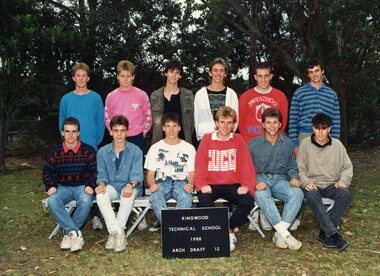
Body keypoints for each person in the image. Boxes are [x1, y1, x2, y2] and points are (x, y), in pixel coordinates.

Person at [194, 106, 256, 251]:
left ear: (234, 124)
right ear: (216, 123)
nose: (225, 126)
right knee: (203, 201)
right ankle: (218, 233)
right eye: (222, 122)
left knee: (248, 201)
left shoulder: (238, 139)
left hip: (232, 184)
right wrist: (202, 183)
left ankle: (227, 229)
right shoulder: (207, 139)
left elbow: (246, 164)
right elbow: (200, 163)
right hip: (211, 184)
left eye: (229, 123)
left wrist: (246, 184)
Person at [248, 108, 304, 250]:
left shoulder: (287, 143)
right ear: (263, 124)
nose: (272, 125)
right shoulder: (253, 144)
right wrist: (255, 182)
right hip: (261, 179)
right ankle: (286, 234)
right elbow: (246, 169)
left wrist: (294, 178)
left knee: (298, 193)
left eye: (275, 122)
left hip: (280, 180)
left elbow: (291, 166)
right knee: (261, 194)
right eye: (269, 122)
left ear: (280, 124)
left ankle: (280, 234)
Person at [59, 62, 105, 230]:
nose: (81, 78)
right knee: (72, 182)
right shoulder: (66, 99)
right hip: (71, 148)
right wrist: (68, 142)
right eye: (78, 75)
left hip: (91, 146)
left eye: (84, 75)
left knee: (91, 181)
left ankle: (95, 216)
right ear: (73, 78)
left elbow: (101, 123)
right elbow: (61, 123)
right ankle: (71, 215)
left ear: (88, 78)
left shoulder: (96, 98)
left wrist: (95, 142)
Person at [297, 113, 352, 251]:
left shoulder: (337, 145)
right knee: (311, 194)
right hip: (312, 184)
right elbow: (300, 168)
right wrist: (305, 181)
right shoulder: (305, 144)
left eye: (324, 128)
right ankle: (333, 234)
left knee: (345, 194)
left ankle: (325, 232)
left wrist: (343, 180)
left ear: (329, 129)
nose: (320, 132)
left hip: (331, 183)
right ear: (312, 128)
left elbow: (347, 166)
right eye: (317, 128)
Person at [42, 117, 97, 252]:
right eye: (67, 131)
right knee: (53, 201)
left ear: (78, 133)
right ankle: (74, 233)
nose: (70, 135)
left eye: (74, 131)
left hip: (82, 186)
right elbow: (47, 172)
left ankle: (69, 234)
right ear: (62, 133)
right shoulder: (55, 151)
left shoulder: (88, 151)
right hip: (63, 186)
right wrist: (51, 186)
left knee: (85, 200)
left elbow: (94, 172)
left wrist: (90, 184)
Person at [95, 115, 144, 252]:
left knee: (126, 195)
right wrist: (102, 184)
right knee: (100, 195)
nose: (119, 134)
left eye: (122, 130)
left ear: (127, 132)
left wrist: (131, 185)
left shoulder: (136, 151)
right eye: (116, 130)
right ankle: (118, 233)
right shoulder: (102, 152)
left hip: (130, 185)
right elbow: (102, 174)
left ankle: (114, 234)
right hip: (111, 185)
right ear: (110, 131)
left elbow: (137, 175)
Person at [145, 112, 196, 227]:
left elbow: (192, 173)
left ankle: (170, 226)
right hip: (162, 182)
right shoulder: (155, 148)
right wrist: (152, 185)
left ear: (179, 128)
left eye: (174, 126)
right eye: (168, 126)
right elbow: (150, 174)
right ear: (163, 128)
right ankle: (172, 226)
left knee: (186, 198)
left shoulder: (189, 148)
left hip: (181, 182)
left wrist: (190, 184)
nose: (171, 130)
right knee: (155, 197)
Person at [289, 58, 341, 154]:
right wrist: (295, 144)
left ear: (322, 71)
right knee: (305, 168)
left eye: (317, 71)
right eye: (311, 72)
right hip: (305, 135)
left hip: (326, 135)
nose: (314, 74)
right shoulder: (299, 93)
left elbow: (336, 121)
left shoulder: (332, 94)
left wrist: (335, 142)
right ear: (308, 74)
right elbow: (292, 121)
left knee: (325, 167)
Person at [104, 60, 152, 153]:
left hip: (137, 138)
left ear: (133, 77)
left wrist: (143, 133)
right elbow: (107, 117)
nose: (125, 79)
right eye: (122, 76)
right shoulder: (111, 96)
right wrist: (113, 131)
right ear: (118, 76)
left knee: (137, 167)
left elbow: (148, 116)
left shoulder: (142, 95)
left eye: (128, 76)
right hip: (117, 137)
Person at [239, 62, 288, 144]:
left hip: (272, 142)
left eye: (266, 76)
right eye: (260, 76)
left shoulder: (280, 96)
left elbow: (283, 121)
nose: (263, 80)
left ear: (271, 76)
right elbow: (240, 122)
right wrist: (246, 141)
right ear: (255, 77)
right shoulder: (245, 97)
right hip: (251, 143)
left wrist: (275, 139)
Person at [194, 57, 239, 141]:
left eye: (221, 71)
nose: (218, 73)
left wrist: (227, 136)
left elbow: (235, 120)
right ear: (210, 73)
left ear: (225, 74)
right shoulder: (200, 94)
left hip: (226, 140)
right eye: (215, 70)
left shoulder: (231, 94)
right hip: (205, 140)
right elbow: (196, 120)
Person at [150, 59, 194, 145]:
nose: (173, 75)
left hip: (183, 141)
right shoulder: (155, 96)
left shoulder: (188, 96)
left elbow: (191, 122)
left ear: (180, 75)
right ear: (166, 73)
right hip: (160, 142)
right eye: (171, 71)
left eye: (177, 72)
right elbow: (152, 122)